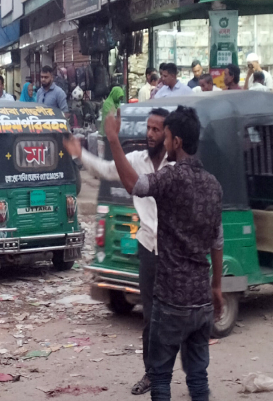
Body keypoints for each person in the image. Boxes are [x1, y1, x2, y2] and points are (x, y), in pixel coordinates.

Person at [105, 107, 224, 401]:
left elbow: (135, 184)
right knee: (198, 376)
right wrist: (217, 286)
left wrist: (113, 139)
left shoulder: (171, 178)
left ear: (177, 142)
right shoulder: (213, 185)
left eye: (166, 136)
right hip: (201, 300)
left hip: (171, 299)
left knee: (160, 377)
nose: (163, 142)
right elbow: (217, 242)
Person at [63, 109, 170, 396]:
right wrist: (80, 154)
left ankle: (193, 378)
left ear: (168, 134)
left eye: (156, 129)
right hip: (149, 248)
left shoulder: (177, 165)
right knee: (151, 316)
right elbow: (107, 170)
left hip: (175, 252)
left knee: (179, 317)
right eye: (148, 128)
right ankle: (153, 375)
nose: (149, 133)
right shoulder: (137, 160)